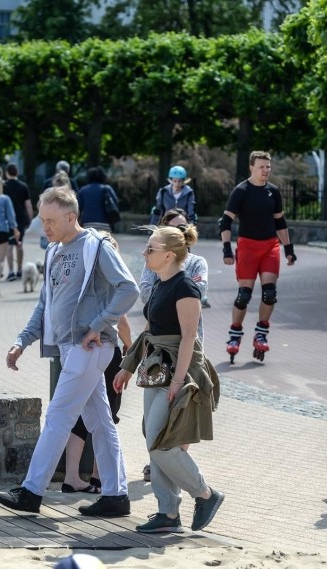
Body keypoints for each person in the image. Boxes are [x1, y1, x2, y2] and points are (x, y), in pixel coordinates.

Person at [0, 187, 139, 519]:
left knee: (58, 417)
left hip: (89, 347)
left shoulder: (96, 246)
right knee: (101, 423)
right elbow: (46, 304)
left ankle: (31, 492)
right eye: (42, 220)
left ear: (71, 217)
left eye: (51, 220)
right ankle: (116, 496)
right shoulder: (53, 251)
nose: (44, 227)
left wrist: (98, 324)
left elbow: (128, 288)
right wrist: (22, 340)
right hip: (71, 349)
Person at [113, 224, 223, 534]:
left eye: (150, 249)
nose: (144, 253)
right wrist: (128, 365)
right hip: (156, 369)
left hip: (177, 371)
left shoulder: (184, 286)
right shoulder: (162, 283)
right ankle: (168, 513)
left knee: (163, 444)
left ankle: (205, 494)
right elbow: (151, 332)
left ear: (169, 255)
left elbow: (189, 337)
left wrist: (177, 382)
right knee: (153, 440)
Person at [62, 232, 133, 495]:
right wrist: (131, 346)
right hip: (106, 351)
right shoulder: (109, 282)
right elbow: (122, 321)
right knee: (106, 416)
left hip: (79, 349)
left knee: (80, 413)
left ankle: (71, 477)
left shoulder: (81, 282)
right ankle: (98, 478)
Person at [218, 151, 296, 362]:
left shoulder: (274, 192)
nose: (266, 171)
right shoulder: (241, 191)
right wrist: (227, 249)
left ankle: (261, 333)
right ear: (251, 167)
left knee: (269, 293)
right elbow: (225, 222)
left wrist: (288, 248)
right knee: (244, 295)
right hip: (247, 247)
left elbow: (280, 222)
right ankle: (234, 335)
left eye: (268, 167)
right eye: (261, 167)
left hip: (270, 246)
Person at [140, 208, 208, 342]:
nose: (176, 232)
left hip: (189, 339)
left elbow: (198, 291)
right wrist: (178, 296)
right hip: (158, 340)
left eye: (181, 227)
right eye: (171, 227)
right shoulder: (153, 258)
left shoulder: (197, 262)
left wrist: (163, 295)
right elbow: (144, 293)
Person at [2, 163, 33, 282]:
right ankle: (20, 270)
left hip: (7, 220)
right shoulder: (23, 186)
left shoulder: (3, 186)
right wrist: (30, 219)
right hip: (20, 219)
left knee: (9, 246)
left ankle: (10, 271)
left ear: (6, 173)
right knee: (19, 244)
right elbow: (28, 205)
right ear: (17, 173)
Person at [77, 167, 118, 231]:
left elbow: (78, 207)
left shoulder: (83, 190)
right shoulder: (107, 189)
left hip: (87, 223)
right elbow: (115, 202)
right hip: (105, 223)